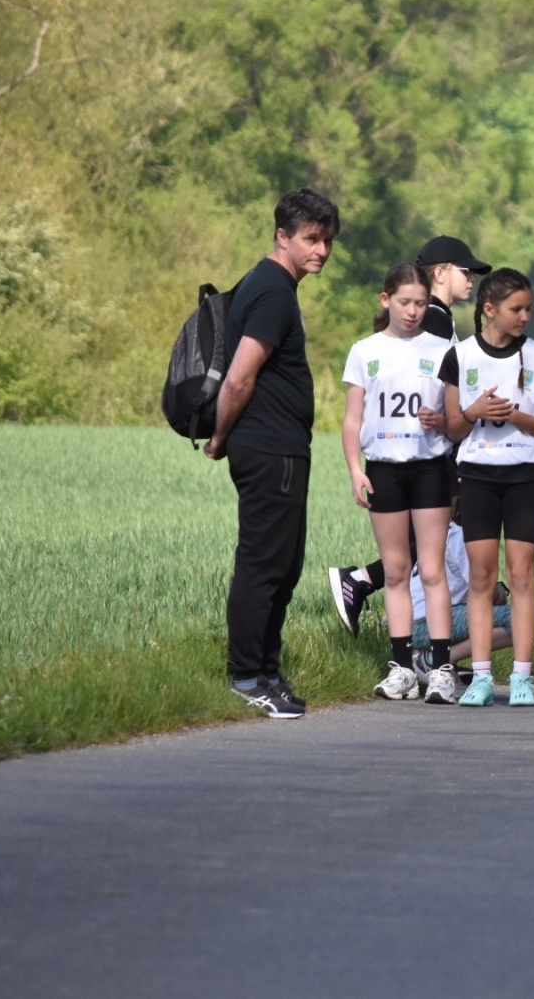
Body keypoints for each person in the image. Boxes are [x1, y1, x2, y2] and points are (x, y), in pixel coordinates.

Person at [206, 188, 339, 719]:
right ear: (282, 236)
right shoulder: (272, 291)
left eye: (327, 240)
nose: (322, 250)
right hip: (268, 449)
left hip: (282, 447)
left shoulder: (275, 286)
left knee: (284, 565)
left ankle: (266, 670)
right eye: (310, 238)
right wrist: (220, 436)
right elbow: (239, 377)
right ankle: (246, 676)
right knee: (264, 564)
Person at [325, 235, 491, 633]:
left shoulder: (441, 322)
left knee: (426, 555)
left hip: (428, 460)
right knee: (417, 556)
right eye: (465, 271)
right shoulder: (431, 321)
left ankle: (426, 648)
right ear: (440, 272)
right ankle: (371, 591)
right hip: (412, 460)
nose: (471, 279)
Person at [440, 268, 534, 706]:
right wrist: (474, 410)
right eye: (516, 309)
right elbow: (453, 429)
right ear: (489, 310)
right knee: (481, 577)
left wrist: (514, 416)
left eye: (529, 308)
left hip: (525, 475)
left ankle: (522, 677)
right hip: (477, 475)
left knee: (522, 575)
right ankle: (479, 677)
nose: (524, 316)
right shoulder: (461, 355)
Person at [341, 262, 461, 705]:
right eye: (405, 302)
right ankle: (402, 667)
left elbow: (457, 415)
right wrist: (356, 470)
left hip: (430, 467)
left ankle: (444, 667)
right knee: (394, 571)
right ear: (385, 300)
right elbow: (353, 418)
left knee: (430, 569)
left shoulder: (443, 345)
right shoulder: (365, 350)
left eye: (421, 303)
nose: (412, 312)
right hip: (383, 468)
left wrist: (443, 421)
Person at [402, 515, 534, 677]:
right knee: (530, 620)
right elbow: (484, 589)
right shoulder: (464, 540)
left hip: (409, 623)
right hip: (425, 625)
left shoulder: (447, 530)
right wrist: (499, 591)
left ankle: (433, 657)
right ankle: (435, 660)